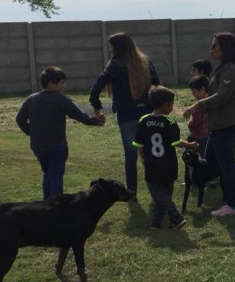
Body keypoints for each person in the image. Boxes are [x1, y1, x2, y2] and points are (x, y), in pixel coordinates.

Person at [183, 32, 235, 218]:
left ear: (225, 48)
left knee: (226, 165)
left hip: (228, 124)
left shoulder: (231, 70)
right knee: (211, 158)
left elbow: (222, 96)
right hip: (218, 125)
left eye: (214, 46)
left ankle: (232, 206)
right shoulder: (223, 69)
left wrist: (198, 104)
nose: (211, 49)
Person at [16, 66, 105, 200]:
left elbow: (20, 119)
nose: (64, 86)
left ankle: (47, 202)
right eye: (62, 83)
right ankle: (56, 206)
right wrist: (96, 121)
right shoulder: (60, 99)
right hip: (56, 145)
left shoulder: (31, 99)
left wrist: (30, 132)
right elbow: (79, 115)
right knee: (56, 175)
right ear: (52, 83)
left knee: (47, 173)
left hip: (37, 146)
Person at [89, 32, 160, 198]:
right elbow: (157, 86)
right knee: (149, 154)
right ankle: (157, 190)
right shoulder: (145, 62)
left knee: (130, 156)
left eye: (111, 46)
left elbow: (95, 90)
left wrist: (97, 109)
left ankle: (132, 193)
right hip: (147, 113)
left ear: (116, 48)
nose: (109, 49)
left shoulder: (114, 66)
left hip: (126, 115)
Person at [133, 86, 198, 230]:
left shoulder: (143, 120)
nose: (172, 107)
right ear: (165, 105)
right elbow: (176, 142)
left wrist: (143, 159)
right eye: (172, 104)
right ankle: (159, 221)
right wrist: (191, 145)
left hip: (152, 164)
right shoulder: (169, 121)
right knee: (164, 194)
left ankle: (173, 217)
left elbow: (139, 144)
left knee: (158, 194)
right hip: (169, 164)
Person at [186, 75, 210, 154]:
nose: (193, 94)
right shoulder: (212, 101)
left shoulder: (197, 106)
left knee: (189, 156)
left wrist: (189, 124)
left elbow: (195, 121)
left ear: (203, 89)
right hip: (209, 135)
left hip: (197, 136)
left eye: (194, 91)